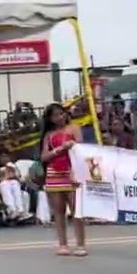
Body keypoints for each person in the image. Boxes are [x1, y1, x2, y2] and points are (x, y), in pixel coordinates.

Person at [40, 103, 86, 257]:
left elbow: (81, 148)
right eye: (55, 115)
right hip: (54, 172)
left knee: (76, 210)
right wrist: (59, 149)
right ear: (50, 119)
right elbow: (44, 157)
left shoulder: (74, 128)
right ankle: (62, 244)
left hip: (72, 170)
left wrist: (73, 145)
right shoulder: (48, 135)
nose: (60, 117)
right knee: (59, 211)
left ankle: (80, 243)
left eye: (61, 113)